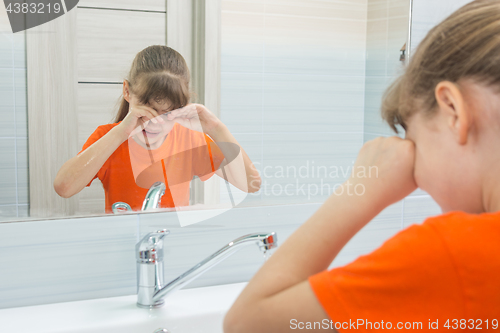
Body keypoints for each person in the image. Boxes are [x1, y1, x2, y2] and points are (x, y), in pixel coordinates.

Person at [224, 1, 500, 331]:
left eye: (414, 141)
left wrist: (360, 188)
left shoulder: (455, 253)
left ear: (452, 111)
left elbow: (248, 323)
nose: (417, 175)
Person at [54, 45, 261, 213]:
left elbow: (251, 184)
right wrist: (120, 133)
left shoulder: (189, 141)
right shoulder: (108, 138)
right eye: (148, 110)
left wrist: (216, 128)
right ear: (127, 91)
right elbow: (64, 187)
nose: (156, 123)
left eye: (168, 113)